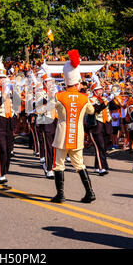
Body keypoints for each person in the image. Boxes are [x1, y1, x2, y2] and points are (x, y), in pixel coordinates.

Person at [45, 50, 96, 203]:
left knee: (59, 165)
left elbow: (47, 108)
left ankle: (60, 194)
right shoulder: (84, 97)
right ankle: (90, 192)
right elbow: (92, 110)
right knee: (79, 164)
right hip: (77, 135)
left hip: (62, 134)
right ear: (77, 82)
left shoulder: (59, 96)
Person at [0, 57, 18, 184]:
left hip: (9, 122)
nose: (2, 80)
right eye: (0, 78)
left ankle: (4, 171)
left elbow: (16, 105)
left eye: (3, 78)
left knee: (9, 150)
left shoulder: (10, 89)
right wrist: (4, 94)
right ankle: (1, 174)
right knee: (2, 149)